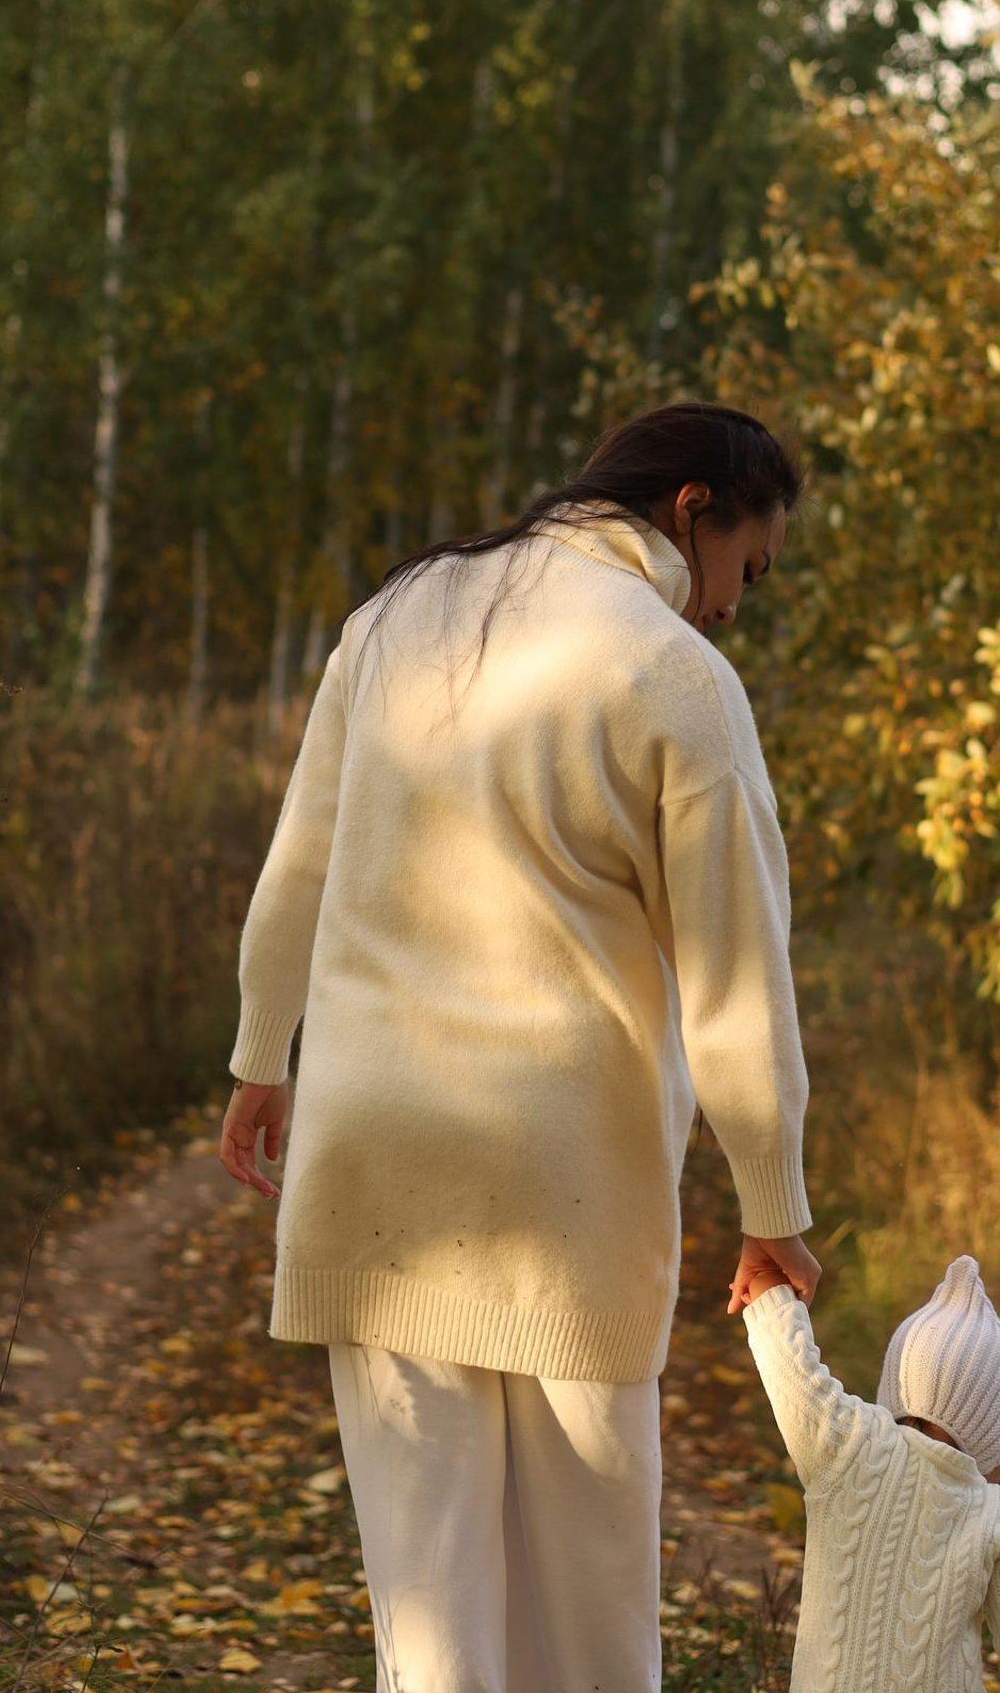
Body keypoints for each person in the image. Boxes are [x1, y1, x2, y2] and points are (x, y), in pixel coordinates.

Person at [219, 402, 822, 1693]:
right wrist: (773, 1206)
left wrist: (262, 1057)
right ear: (692, 513)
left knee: (430, 1619)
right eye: (749, 568)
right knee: (591, 1624)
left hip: (377, 1170)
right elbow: (738, 974)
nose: (734, 605)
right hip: (570, 1198)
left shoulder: (396, 616)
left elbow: (299, 863)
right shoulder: (672, 675)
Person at [734, 1254, 1000, 1693]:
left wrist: (769, 1288)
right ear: (994, 1438)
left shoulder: (849, 1445)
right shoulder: (997, 1515)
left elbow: (793, 1373)